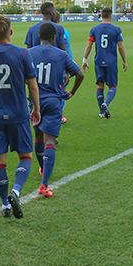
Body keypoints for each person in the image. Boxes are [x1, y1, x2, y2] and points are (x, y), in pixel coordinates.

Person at [0, 16, 41, 217]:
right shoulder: (23, 53)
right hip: (18, 114)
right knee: (26, 156)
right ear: (11, 32)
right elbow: (32, 85)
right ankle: (15, 191)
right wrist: (36, 108)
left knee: (0, 162)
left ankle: (5, 204)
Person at [28, 22, 84, 198]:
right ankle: (44, 184)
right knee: (50, 140)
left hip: (35, 101)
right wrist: (72, 92)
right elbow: (80, 74)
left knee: (38, 137)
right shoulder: (61, 54)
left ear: (39, 37)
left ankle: (43, 167)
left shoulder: (28, 54)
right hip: (54, 101)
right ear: (54, 38)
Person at [81, 7, 127, 118]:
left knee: (100, 86)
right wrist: (125, 61)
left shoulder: (94, 29)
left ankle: (102, 112)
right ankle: (106, 104)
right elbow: (120, 47)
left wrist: (85, 60)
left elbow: (89, 45)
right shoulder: (116, 29)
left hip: (98, 62)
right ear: (111, 16)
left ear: (101, 15)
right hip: (111, 62)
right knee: (112, 86)